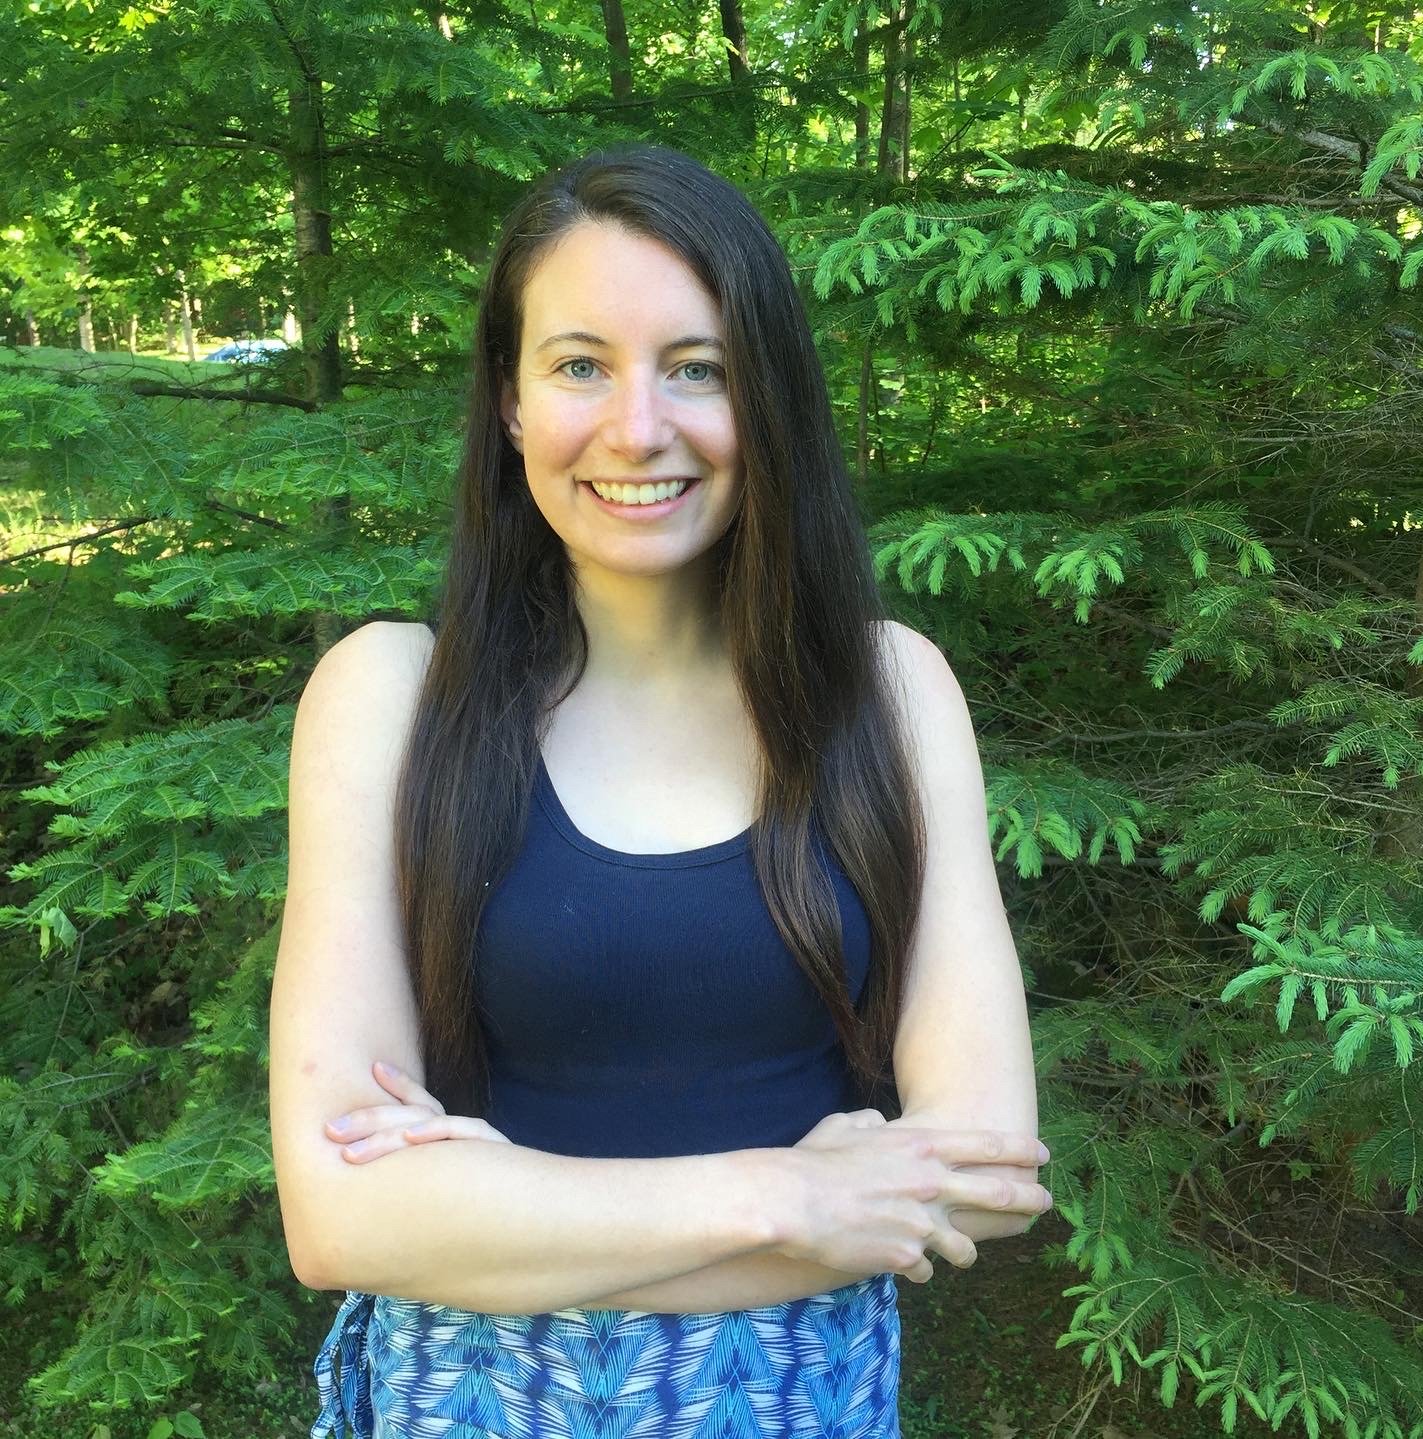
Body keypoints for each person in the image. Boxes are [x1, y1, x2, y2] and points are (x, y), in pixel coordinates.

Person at [269, 141, 1050, 1439]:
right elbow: (340, 1217)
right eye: (580, 365)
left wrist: (503, 1208)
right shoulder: (388, 701)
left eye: (699, 369)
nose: (639, 427)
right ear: (511, 400)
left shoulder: (888, 694)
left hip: (799, 1404)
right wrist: (786, 1198)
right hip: (471, 1403)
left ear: (770, 402)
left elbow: (981, 1176)